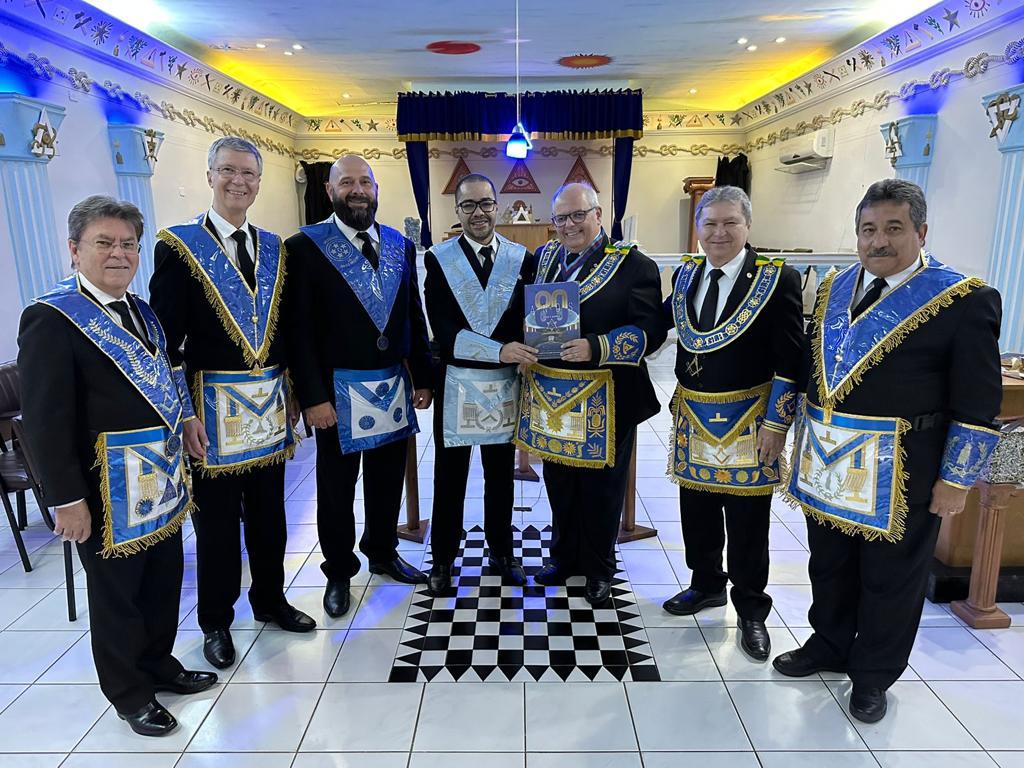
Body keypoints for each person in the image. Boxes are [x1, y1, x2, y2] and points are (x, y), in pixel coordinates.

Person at [775, 178, 1002, 723]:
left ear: (921, 232)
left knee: (890, 577)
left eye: (893, 228)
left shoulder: (963, 299)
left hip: (905, 465)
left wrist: (956, 480)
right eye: (868, 229)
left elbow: (977, 401)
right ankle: (829, 643)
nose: (878, 241)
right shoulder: (835, 287)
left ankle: (874, 674)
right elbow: (811, 366)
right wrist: (781, 426)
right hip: (827, 458)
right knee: (829, 564)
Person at [18, 196, 216, 736]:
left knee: (163, 581)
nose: (119, 254)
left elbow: (167, 370)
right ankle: (129, 693)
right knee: (117, 596)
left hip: (160, 474)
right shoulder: (51, 318)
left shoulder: (141, 308)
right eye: (104, 243)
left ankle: (158, 664)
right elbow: (45, 421)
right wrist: (66, 499)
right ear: (74, 249)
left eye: (128, 244)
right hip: (103, 486)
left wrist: (188, 417)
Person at [150, 136, 314, 672]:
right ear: (210, 176)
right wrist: (184, 414)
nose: (238, 181)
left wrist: (294, 390)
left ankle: (270, 599)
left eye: (248, 173)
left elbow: (287, 330)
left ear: (259, 182)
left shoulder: (275, 248)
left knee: (270, 515)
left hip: (269, 409)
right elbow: (165, 344)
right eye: (228, 171)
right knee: (217, 525)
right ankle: (215, 620)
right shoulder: (179, 247)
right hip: (212, 414)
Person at [286, 155, 433, 617]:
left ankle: (383, 551)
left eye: (365, 182)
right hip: (336, 394)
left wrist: (423, 376)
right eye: (346, 182)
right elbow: (299, 332)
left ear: (376, 189)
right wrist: (313, 397)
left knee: (387, 482)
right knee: (336, 490)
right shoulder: (304, 247)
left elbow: (412, 314)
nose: (357, 190)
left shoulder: (399, 244)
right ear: (330, 191)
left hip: (391, 387)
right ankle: (338, 570)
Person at [661, 186, 803, 662]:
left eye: (730, 223)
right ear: (698, 229)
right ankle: (705, 585)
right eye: (710, 224)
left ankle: (751, 609)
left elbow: (791, 359)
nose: (719, 233)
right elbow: (658, 323)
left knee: (747, 522)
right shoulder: (686, 274)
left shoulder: (777, 279)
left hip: (750, 419)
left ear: (747, 226)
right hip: (694, 416)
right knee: (696, 510)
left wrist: (777, 424)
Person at [516, 183, 667, 606]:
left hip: (608, 396)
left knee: (603, 489)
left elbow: (651, 330)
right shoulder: (544, 258)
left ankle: (600, 568)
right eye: (561, 218)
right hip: (553, 396)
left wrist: (597, 347)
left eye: (578, 215)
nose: (569, 225)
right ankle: (564, 557)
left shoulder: (634, 265)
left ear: (599, 214)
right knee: (559, 482)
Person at [422, 173, 536, 595]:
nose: (479, 213)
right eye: (468, 205)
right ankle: (442, 558)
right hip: (458, 384)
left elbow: (528, 320)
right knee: (449, 478)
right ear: (458, 210)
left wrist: (526, 350)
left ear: (497, 206)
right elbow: (443, 330)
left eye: (486, 203)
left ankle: (502, 552)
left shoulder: (522, 259)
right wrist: (501, 350)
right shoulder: (439, 259)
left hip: (505, 385)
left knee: (500, 477)